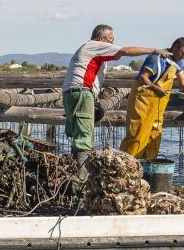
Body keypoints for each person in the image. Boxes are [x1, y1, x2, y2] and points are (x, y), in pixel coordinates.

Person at [62, 24, 171, 165]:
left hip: (72, 93)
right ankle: (81, 179)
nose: (113, 43)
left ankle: (74, 171)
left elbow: (85, 73)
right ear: (101, 39)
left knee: (76, 134)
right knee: (84, 138)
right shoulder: (95, 45)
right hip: (81, 92)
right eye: (110, 39)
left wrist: (94, 94)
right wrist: (154, 50)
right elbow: (125, 51)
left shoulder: (89, 51)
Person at [118, 36, 184, 160]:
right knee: (137, 134)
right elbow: (144, 77)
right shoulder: (156, 58)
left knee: (154, 135)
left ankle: (148, 165)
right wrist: (154, 88)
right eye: (182, 53)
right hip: (143, 101)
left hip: (158, 106)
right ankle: (127, 164)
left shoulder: (176, 63)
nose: (183, 57)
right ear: (175, 47)